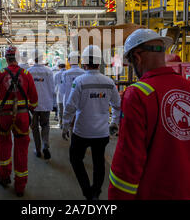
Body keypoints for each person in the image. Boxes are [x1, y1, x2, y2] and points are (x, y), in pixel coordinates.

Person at [108, 29, 190, 200]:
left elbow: (128, 158)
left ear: (137, 57)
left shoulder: (138, 93)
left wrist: (118, 196)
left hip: (158, 192)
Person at [63, 45, 121, 200]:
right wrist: (114, 122)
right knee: (99, 162)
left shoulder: (80, 81)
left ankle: (87, 191)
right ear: (99, 62)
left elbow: (70, 105)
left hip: (81, 131)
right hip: (101, 133)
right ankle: (96, 192)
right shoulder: (109, 82)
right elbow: (117, 105)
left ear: (84, 62)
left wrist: (65, 124)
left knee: (75, 159)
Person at [0, 46, 38, 197]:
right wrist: (31, 110)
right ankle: (20, 187)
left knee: (4, 146)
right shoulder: (26, 74)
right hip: (22, 117)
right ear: (18, 58)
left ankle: (4, 177)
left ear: (7, 59)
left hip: (4, 117)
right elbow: (34, 99)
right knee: (21, 150)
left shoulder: (0, 74)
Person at [28, 49, 55, 160]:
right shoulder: (48, 71)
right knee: (45, 125)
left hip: (32, 105)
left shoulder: (29, 72)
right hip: (45, 103)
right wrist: (52, 103)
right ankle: (45, 145)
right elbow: (52, 89)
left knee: (34, 128)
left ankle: (38, 150)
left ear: (33, 58)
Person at [60, 51, 85, 128]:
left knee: (71, 124)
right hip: (82, 102)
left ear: (69, 61)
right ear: (79, 60)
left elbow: (62, 90)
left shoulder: (65, 73)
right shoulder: (84, 73)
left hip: (68, 102)